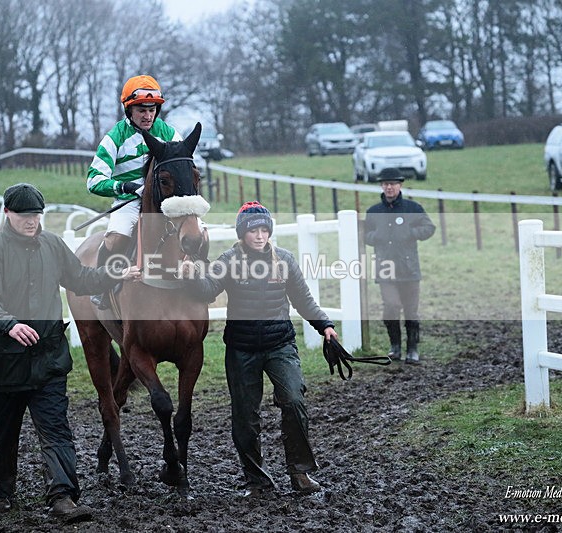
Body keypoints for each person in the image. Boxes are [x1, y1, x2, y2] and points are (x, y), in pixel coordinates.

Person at [0, 183, 130, 521]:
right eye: (24, 215)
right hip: (5, 362)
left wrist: (115, 273)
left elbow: (82, 279)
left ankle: (62, 497)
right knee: (0, 433)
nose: (31, 221)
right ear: (7, 214)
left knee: (57, 430)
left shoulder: (53, 246)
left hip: (48, 360)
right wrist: (9, 323)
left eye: (36, 215)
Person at [180, 201, 338, 497]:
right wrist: (190, 276)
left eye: (265, 229)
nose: (260, 235)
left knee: (293, 400)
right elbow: (207, 290)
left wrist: (325, 326)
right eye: (254, 230)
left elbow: (304, 300)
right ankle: (256, 480)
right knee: (245, 417)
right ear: (243, 233)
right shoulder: (228, 260)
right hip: (242, 348)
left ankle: (300, 472)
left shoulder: (285, 260)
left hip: (280, 345)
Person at [86, 74, 181, 308]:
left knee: (197, 231)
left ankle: (199, 279)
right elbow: (93, 180)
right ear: (129, 110)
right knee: (117, 238)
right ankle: (102, 286)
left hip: (164, 202)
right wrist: (124, 186)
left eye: (152, 110)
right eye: (141, 110)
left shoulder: (169, 133)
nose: (148, 116)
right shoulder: (114, 137)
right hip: (128, 201)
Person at [364, 167, 436, 364]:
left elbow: (429, 228)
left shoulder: (413, 208)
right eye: (386, 184)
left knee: (411, 311)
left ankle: (412, 349)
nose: (389, 187)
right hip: (385, 268)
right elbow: (365, 235)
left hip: (409, 268)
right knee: (391, 306)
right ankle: (395, 345)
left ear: (400, 185)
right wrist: (375, 237)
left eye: (393, 184)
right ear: (381, 186)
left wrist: (412, 233)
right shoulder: (373, 212)